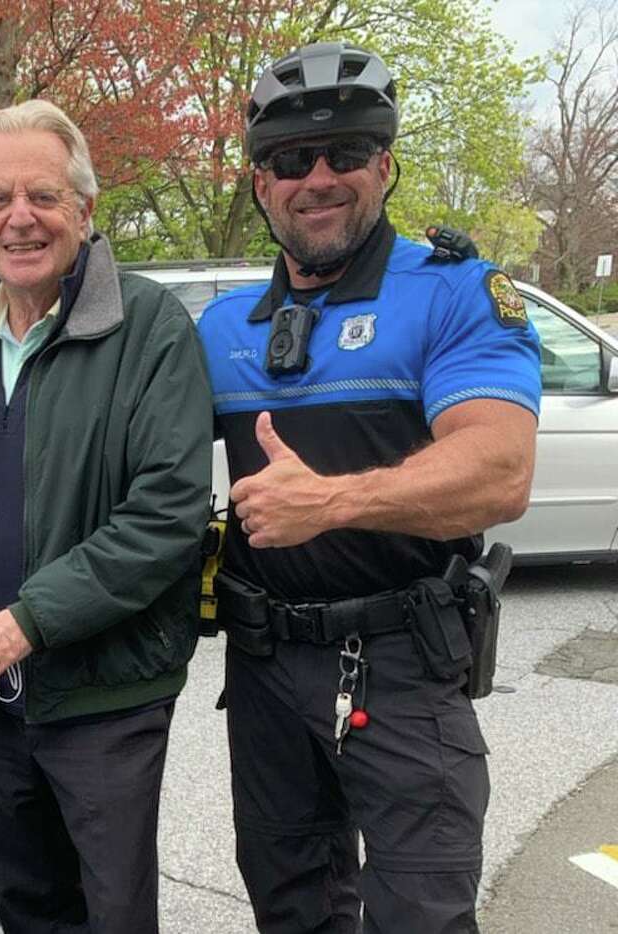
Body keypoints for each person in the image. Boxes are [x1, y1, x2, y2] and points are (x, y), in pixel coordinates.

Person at [196, 41, 541, 933]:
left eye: (345, 152)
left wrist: (336, 500)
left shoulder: (457, 291)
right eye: (288, 161)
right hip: (264, 669)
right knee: (292, 911)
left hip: (401, 662)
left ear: (385, 166)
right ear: (261, 183)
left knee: (421, 917)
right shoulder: (225, 324)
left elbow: (501, 470)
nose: (318, 177)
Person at [0, 99, 212, 933]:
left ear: (86, 212)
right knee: (26, 902)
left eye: (45, 197)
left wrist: (29, 619)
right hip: (1, 691)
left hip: (107, 693)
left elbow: (167, 514)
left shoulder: (149, 327)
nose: (20, 218)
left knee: (111, 910)